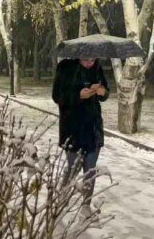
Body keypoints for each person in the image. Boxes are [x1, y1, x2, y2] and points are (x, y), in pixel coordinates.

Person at [51, 57, 109, 217]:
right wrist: (78, 95)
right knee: (72, 168)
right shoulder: (65, 67)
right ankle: (61, 200)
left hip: (93, 128)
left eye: (93, 59)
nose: (90, 62)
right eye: (86, 59)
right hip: (73, 128)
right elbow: (57, 96)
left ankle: (86, 205)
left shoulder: (97, 68)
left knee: (90, 170)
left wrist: (103, 92)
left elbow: (105, 92)